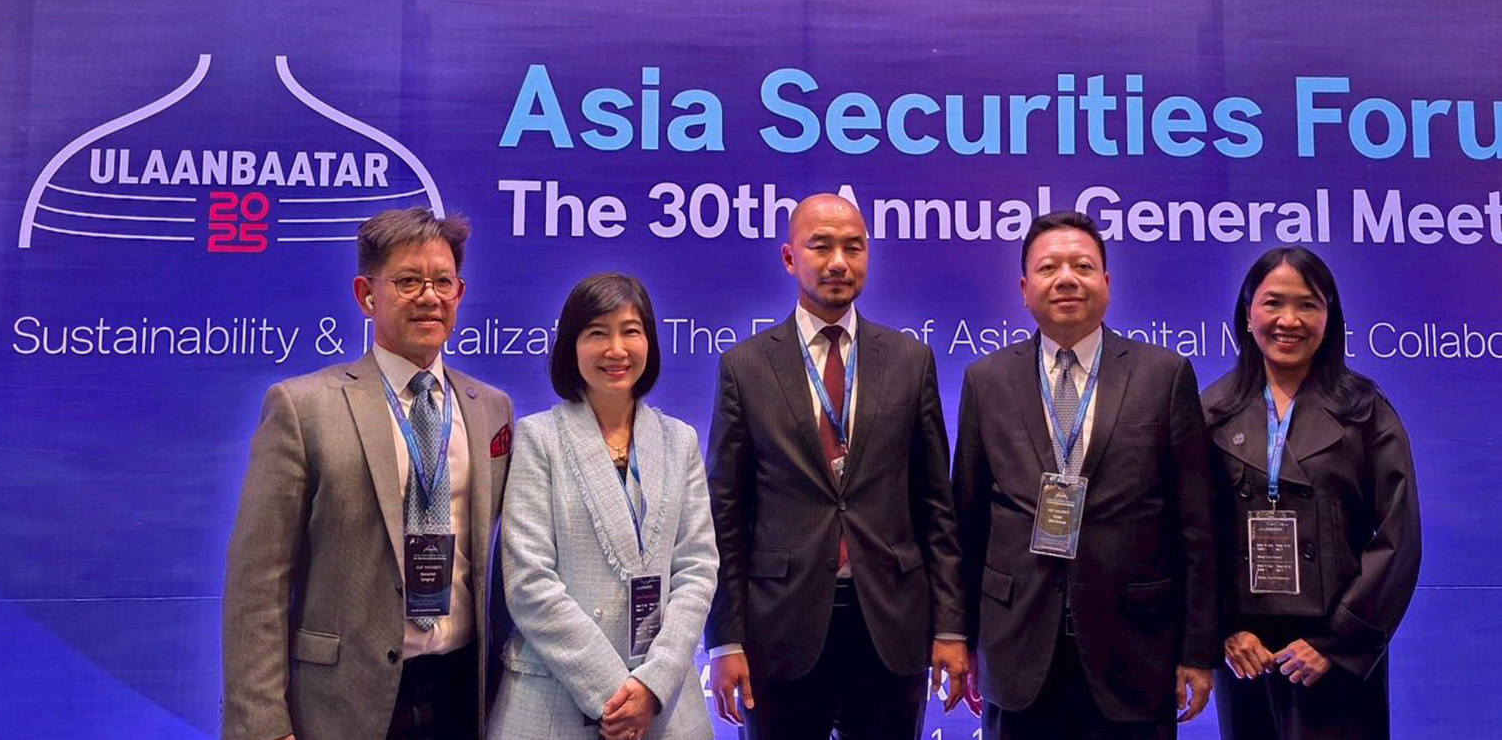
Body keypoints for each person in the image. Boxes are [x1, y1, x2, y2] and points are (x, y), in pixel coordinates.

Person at [222, 208, 515, 740]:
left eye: (443, 282)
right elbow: (259, 581)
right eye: (408, 281)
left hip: (463, 693)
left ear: (460, 293)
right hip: (342, 701)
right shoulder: (303, 408)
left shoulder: (491, 409)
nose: (429, 297)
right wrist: (262, 725)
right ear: (366, 294)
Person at [705, 193, 967, 740]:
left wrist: (950, 626)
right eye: (820, 247)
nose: (838, 262)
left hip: (892, 624)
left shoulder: (909, 361)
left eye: (853, 247)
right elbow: (726, 514)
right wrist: (725, 638)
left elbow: (935, 508)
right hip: (779, 628)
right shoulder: (745, 367)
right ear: (789, 258)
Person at [952, 211, 1217, 739]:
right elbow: (967, 522)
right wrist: (958, 635)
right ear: (1024, 289)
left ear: (1107, 283)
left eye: (1083, 266)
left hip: (1135, 649)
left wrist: (1197, 649)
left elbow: (1196, 527)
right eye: (1049, 268)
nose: (1067, 279)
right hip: (1017, 646)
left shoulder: (1163, 376)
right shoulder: (986, 381)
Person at [1204, 246, 1421, 740]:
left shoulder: (1365, 410)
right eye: (1273, 303)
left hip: (1336, 652)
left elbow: (1399, 535)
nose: (1289, 320)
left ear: (1330, 317)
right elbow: (1191, 533)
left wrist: (1338, 640)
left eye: (1307, 305)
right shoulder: (1212, 411)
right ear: (1247, 313)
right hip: (1246, 653)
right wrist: (1223, 631)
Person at [489, 273, 717, 740]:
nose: (616, 349)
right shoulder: (539, 438)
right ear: (572, 346)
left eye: (630, 331)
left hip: (663, 704)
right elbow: (529, 583)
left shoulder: (680, 441)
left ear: (649, 342)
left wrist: (652, 686)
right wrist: (616, 694)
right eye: (597, 333)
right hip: (555, 698)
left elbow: (697, 569)